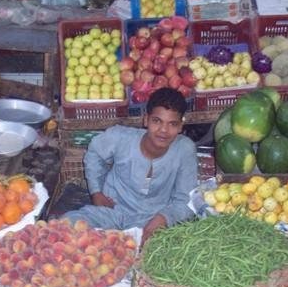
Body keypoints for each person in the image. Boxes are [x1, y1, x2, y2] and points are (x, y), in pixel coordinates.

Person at [62, 87, 198, 243]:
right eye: (157, 121)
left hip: (154, 220)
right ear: (146, 120)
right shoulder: (121, 138)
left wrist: (164, 218)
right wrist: (96, 191)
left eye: (172, 124)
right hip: (113, 213)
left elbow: (186, 199)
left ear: (181, 126)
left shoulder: (184, 149)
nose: (163, 130)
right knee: (66, 225)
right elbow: (94, 153)